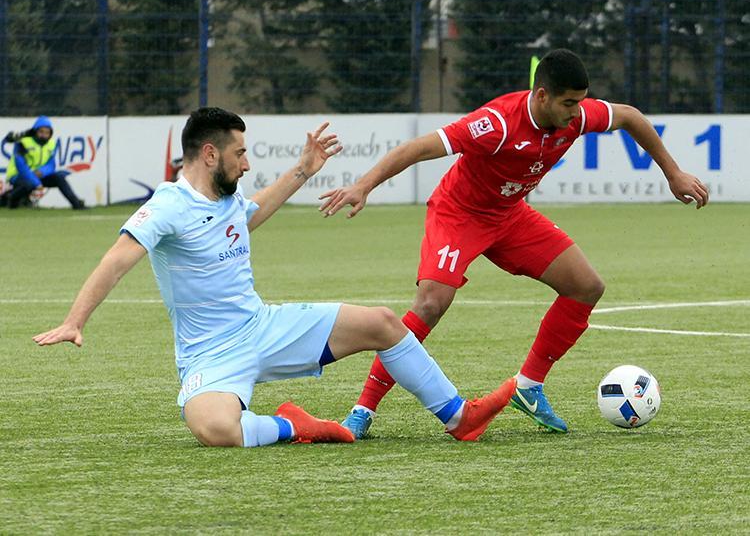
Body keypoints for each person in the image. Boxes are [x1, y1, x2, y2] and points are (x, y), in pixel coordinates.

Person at [33, 107, 516, 448]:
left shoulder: (225, 199)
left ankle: (459, 417)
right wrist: (75, 320)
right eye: (239, 154)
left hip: (263, 328)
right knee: (216, 430)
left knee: (384, 323)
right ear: (209, 154)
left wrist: (302, 171)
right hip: (210, 354)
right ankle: (295, 426)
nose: (246, 164)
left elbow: (250, 214)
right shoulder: (168, 206)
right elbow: (117, 259)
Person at [320, 48, 709, 438]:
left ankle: (529, 386)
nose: (576, 112)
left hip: (509, 215)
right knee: (431, 303)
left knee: (586, 286)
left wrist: (673, 173)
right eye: (568, 103)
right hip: (459, 214)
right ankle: (363, 409)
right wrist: (363, 186)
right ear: (542, 96)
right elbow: (418, 148)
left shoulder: (577, 115)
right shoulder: (497, 123)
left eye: (581, 102)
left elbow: (629, 116)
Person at [4, 116, 85, 209]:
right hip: (17, 175)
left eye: (47, 132)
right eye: (41, 132)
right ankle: (12, 199)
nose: (44, 135)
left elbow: (51, 164)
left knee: (59, 178)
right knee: (30, 184)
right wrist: (36, 182)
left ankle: (77, 204)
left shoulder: (51, 144)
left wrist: (42, 171)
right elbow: (21, 166)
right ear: (35, 131)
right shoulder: (23, 142)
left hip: (37, 175)